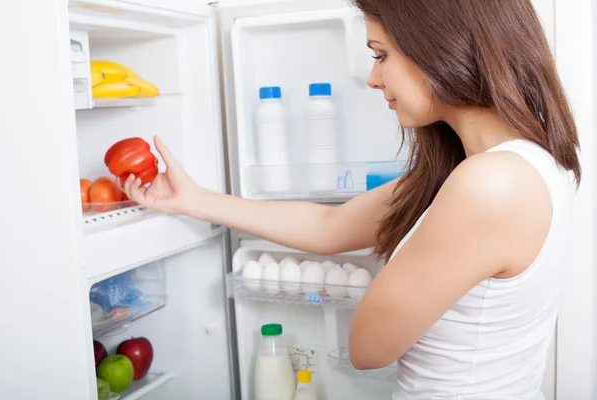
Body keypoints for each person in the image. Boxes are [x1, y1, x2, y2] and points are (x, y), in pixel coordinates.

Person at [121, 0, 581, 398]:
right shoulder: (512, 164)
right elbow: (329, 228)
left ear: (441, 45)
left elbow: (367, 348)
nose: (372, 78)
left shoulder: (491, 184)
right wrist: (194, 200)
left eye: (381, 55)